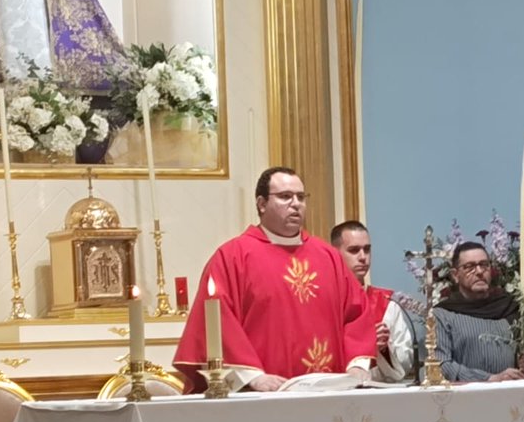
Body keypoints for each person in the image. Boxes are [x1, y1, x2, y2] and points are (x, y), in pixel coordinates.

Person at [174, 167, 374, 392]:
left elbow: (357, 314)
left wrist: (357, 364)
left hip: (328, 393)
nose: (296, 204)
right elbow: (218, 321)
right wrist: (253, 376)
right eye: (285, 196)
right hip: (263, 394)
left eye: (301, 197)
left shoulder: (328, 257)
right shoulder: (233, 257)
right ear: (261, 204)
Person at [433, 241, 524, 382]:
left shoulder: (511, 308)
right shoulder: (443, 314)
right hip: (465, 398)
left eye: (484, 265)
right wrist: (489, 378)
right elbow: (440, 364)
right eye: (469, 267)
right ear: (455, 275)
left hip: (509, 397)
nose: (479, 272)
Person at [331, 220, 416, 383]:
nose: (363, 257)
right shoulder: (322, 303)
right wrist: (363, 346)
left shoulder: (386, 304)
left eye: (367, 249)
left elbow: (405, 365)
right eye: (354, 250)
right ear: (335, 254)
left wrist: (384, 350)